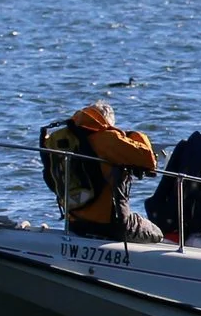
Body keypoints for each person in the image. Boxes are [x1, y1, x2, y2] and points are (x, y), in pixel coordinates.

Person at [41, 101, 160, 241]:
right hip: (110, 225)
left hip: (75, 223)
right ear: (108, 122)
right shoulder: (108, 139)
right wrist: (133, 135)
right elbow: (149, 160)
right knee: (157, 232)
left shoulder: (60, 140)